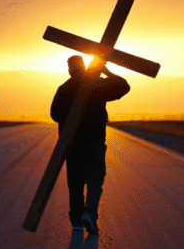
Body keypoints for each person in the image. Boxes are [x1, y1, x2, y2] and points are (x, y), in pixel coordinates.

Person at [50, 55, 130, 234]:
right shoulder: (96, 84)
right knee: (95, 179)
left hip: (72, 144)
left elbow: (55, 114)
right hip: (94, 141)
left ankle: (77, 220)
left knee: (75, 182)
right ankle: (90, 213)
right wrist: (106, 72)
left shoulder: (64, 89)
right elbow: (124, 86)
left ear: (70, 69)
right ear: (83, 66)